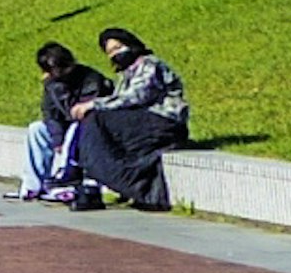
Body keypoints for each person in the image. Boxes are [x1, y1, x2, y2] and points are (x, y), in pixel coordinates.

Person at [62, 28, 188, 212]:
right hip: (140, 122)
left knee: (96, 119)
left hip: (164, 122)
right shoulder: (126, 75)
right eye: (110, 52)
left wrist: (93, 104)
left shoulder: (150, 65)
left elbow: (135, 97)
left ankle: (90, 182)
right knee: (94, 124)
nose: (116, 54)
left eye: (118, 47)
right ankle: (91, 181)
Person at [17, 40, 110, 202]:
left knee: (75, 129)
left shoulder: (91, 79)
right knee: (36, 129)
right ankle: (33, 185)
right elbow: (50, 113)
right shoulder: (52, 84)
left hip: (88, 128)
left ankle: (64, 181)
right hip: (65, 126)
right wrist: (57, 138)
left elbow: (82, 111)